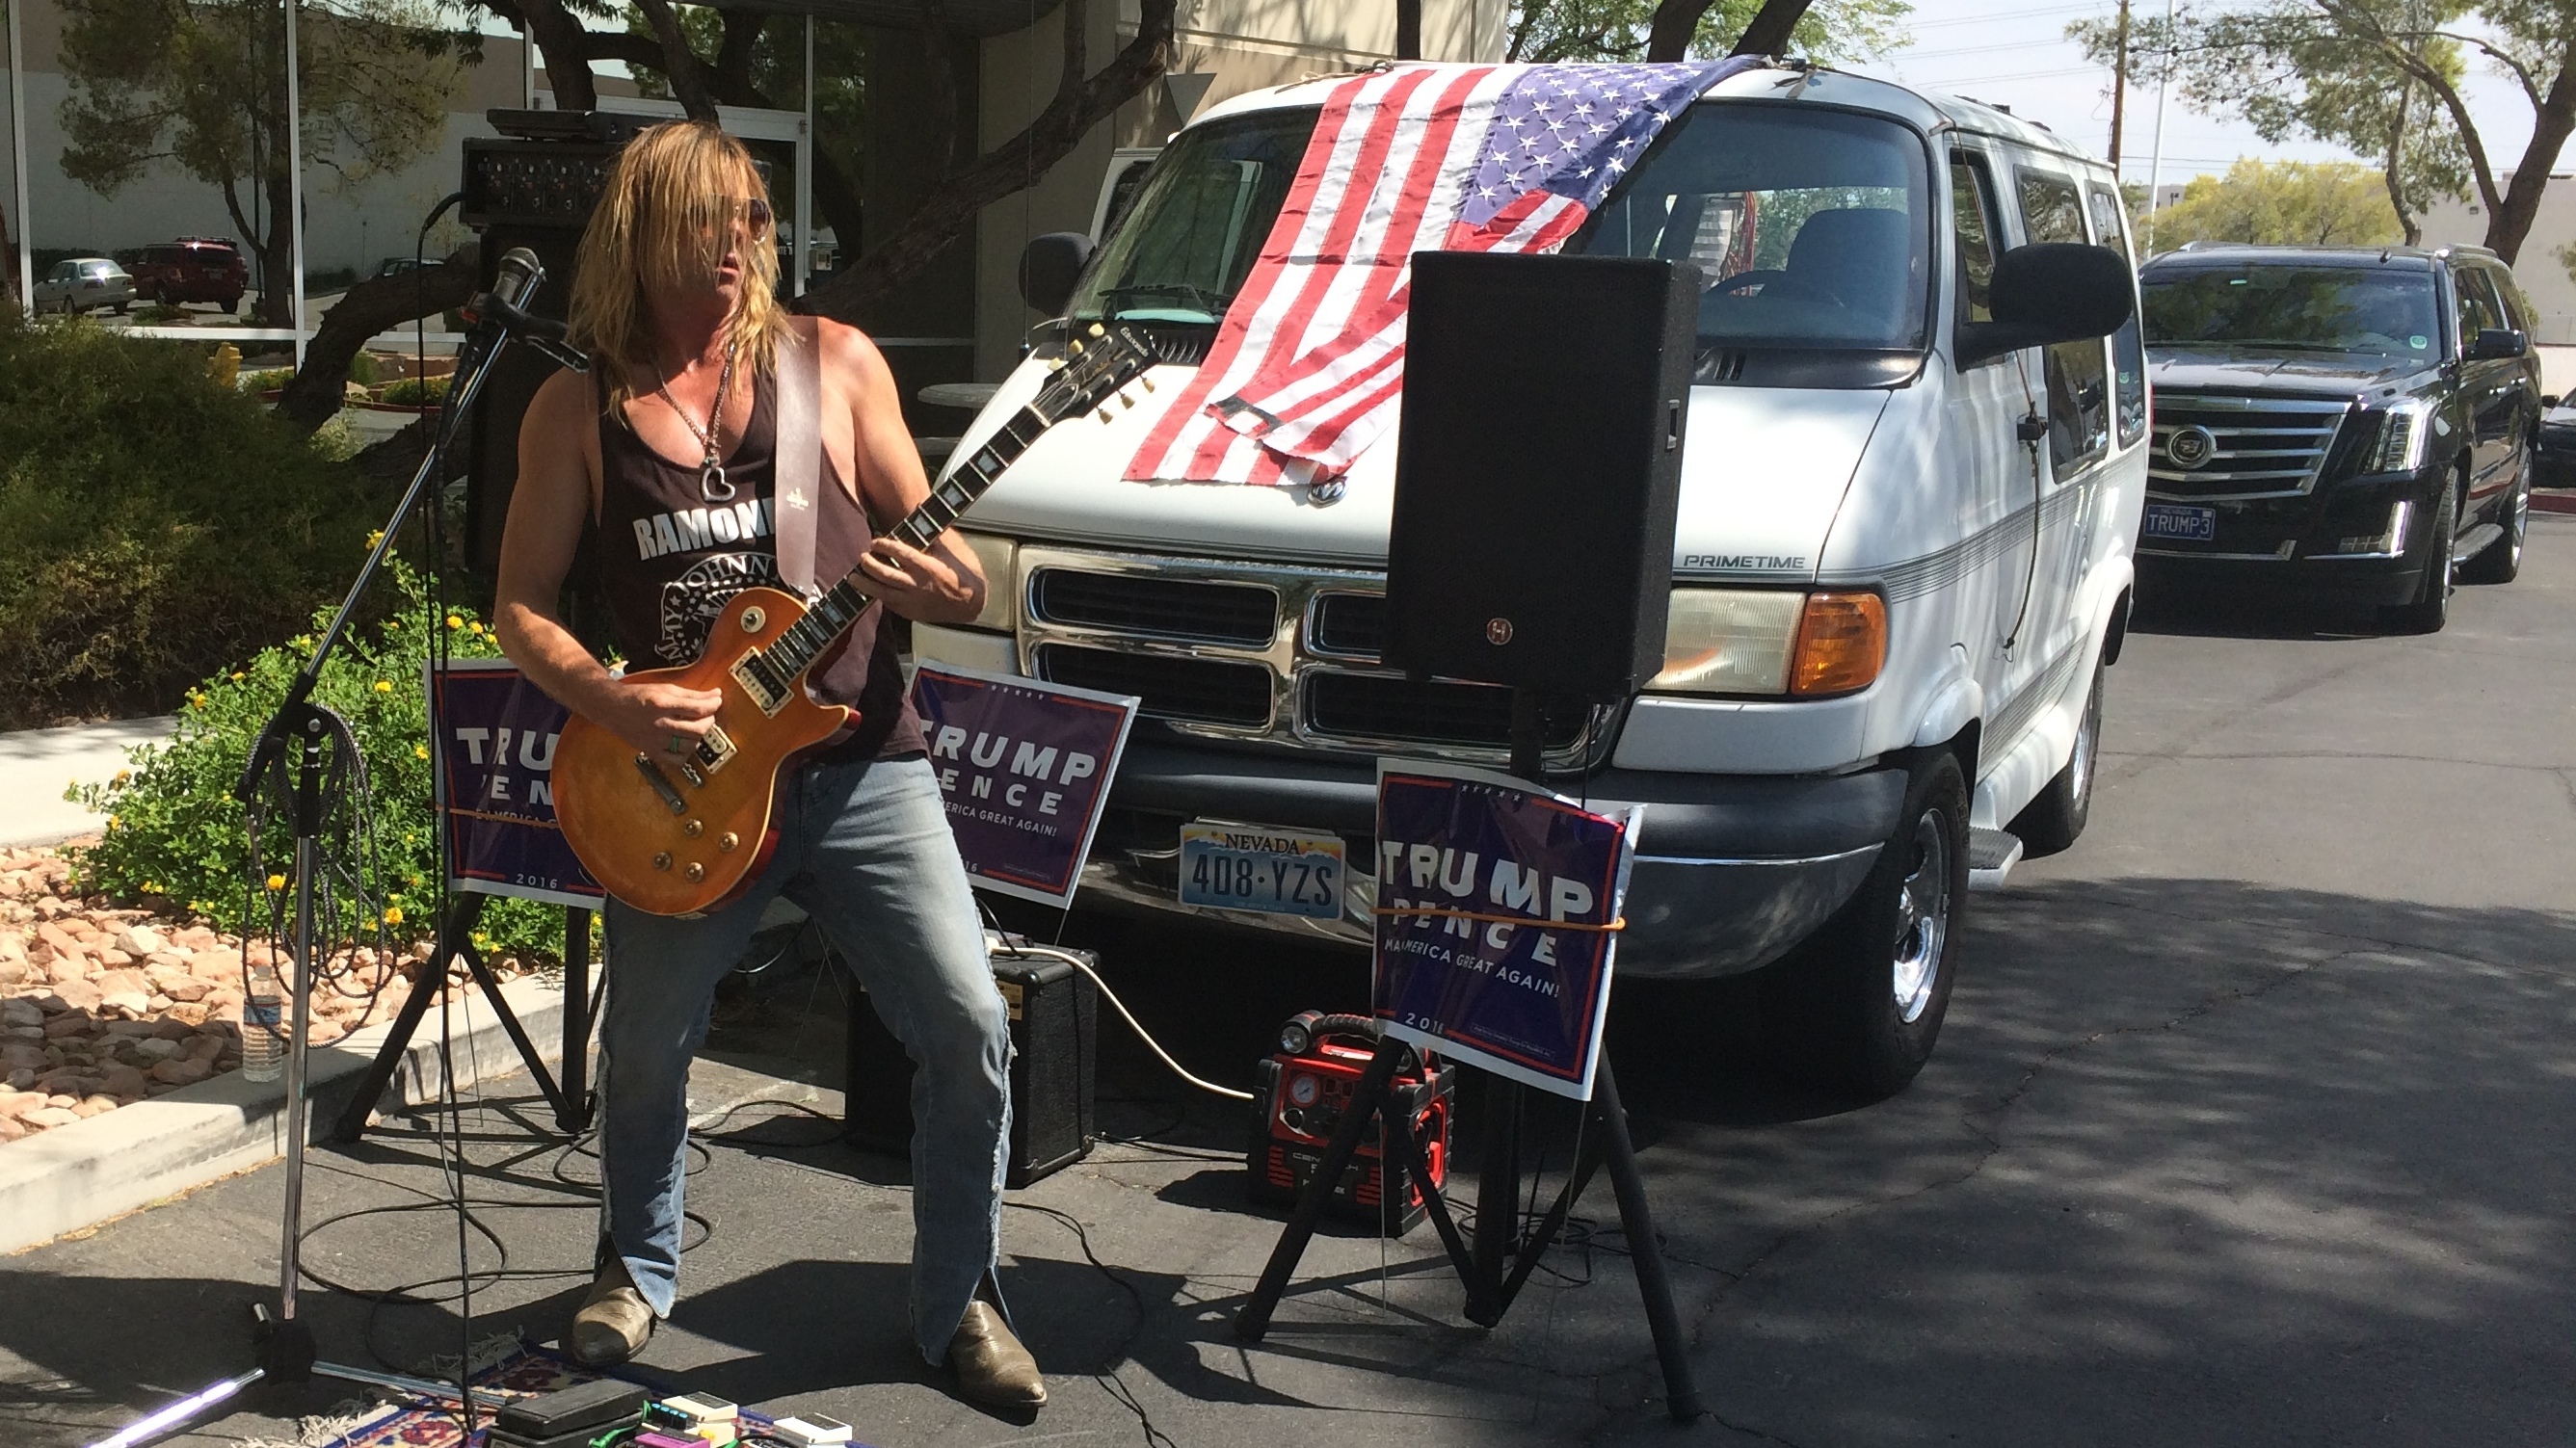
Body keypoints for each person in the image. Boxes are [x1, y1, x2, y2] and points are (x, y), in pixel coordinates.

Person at [492, 120, 1043, 1410]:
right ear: (640, 234)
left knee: (966, 1029)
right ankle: (633, 1275)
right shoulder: (577, 407)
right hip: (675, 786)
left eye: (750, 216)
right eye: (708, 218)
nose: (739, 241)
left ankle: (960, 1301)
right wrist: (613, 704)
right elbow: (521, 604)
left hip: (863, 770)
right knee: (641, 1051)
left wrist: (940, 583)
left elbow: (956, 579)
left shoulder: (835, 365)